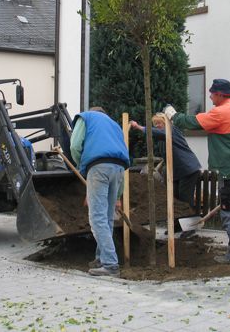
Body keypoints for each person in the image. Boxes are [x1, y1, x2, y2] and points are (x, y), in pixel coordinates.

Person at [164, 79, 230, 264]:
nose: (210, 96)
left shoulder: (221, 112)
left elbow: (192, 122)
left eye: (212, 93)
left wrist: (173, 115)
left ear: (220, 94)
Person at [70, 107, 130, 277]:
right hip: (118, 169)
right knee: (107, 217)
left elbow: (75, 145)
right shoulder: (114, 125)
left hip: (98, 168)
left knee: (97, 217)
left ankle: (111, 264)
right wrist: (119, 195)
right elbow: (122, 155)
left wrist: (82, 167)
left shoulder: (86, 117)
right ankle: (101, 258)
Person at [129, 114, 201, 211]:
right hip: (178, 172)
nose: (158, 125)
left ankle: (189, 223)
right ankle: (179, 223)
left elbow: (155, 132)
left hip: (187, 169)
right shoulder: (162, 140)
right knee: (175, 198)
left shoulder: (172, 130)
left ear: (166, 123)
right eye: (155, 124)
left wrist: (138, 127)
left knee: (185, 199)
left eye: (160, 123)